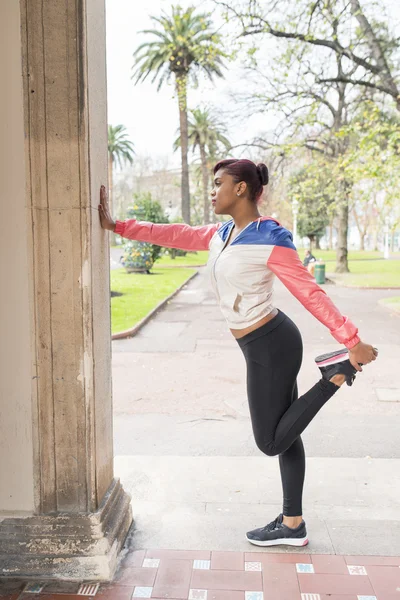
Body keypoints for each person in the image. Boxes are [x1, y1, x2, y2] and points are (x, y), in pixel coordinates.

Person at [99, 158, 378, 548]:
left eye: (219, 184)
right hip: (259, 344)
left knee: (270, 441)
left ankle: (334, 374)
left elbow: (309, 292)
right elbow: (176, 233)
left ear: (241, 189)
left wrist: (351, 339)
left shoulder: (271, 238)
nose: (213, 191)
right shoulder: (223, 232)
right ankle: (293, 524)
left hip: (272, 344)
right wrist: (119, 227)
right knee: (286, 432)